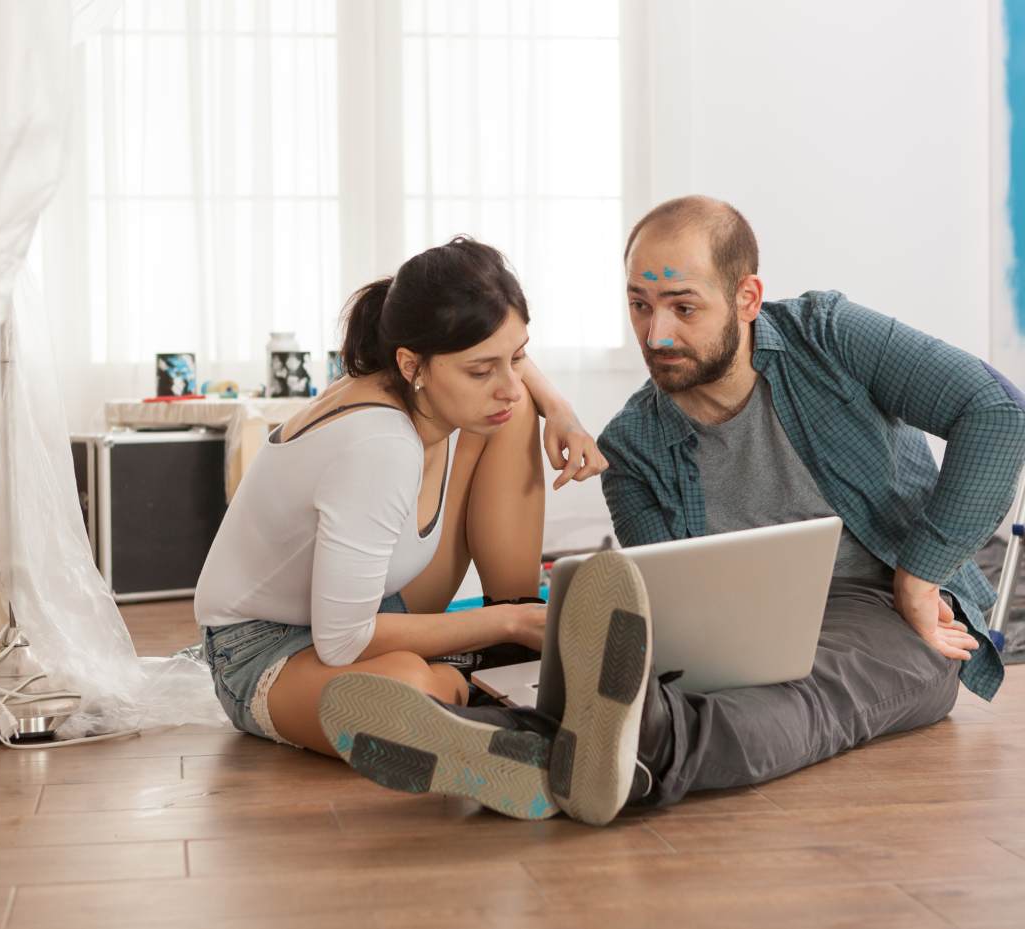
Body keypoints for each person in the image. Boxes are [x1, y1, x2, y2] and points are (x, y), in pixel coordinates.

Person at [318, 195, 1025, 826]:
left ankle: (591, 745)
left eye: (683, 307)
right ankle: (569, 746)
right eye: (639, 306)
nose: (656, 335)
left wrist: (921, 574)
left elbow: (997, 412)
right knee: (698, 683)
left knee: (811, 701)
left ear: (747, 297)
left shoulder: (829, 334)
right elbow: (677, 620)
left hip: (888, 614)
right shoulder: (634, 447)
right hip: (737, 644)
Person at [194, 236, 609, 817]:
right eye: (480, 369)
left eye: (516, 358)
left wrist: (558, 409)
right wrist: (509, 622)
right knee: (403, 684)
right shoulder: (377, 443)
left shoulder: (417, 374)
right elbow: (344, 642)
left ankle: (508, 665)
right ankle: (481, 686)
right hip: (268, 649)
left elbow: (501, 360)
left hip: (375, 602)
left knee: (510, 418)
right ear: (412, 364)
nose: (509, 382)